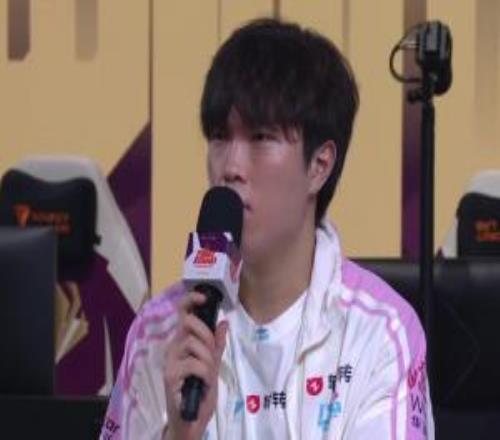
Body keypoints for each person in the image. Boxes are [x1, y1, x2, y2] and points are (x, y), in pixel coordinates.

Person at [100, 18, 434, 440]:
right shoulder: (159, 332)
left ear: (319, 166)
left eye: (260, 137)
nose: (231, 167)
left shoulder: (380, 333)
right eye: (219, 137)